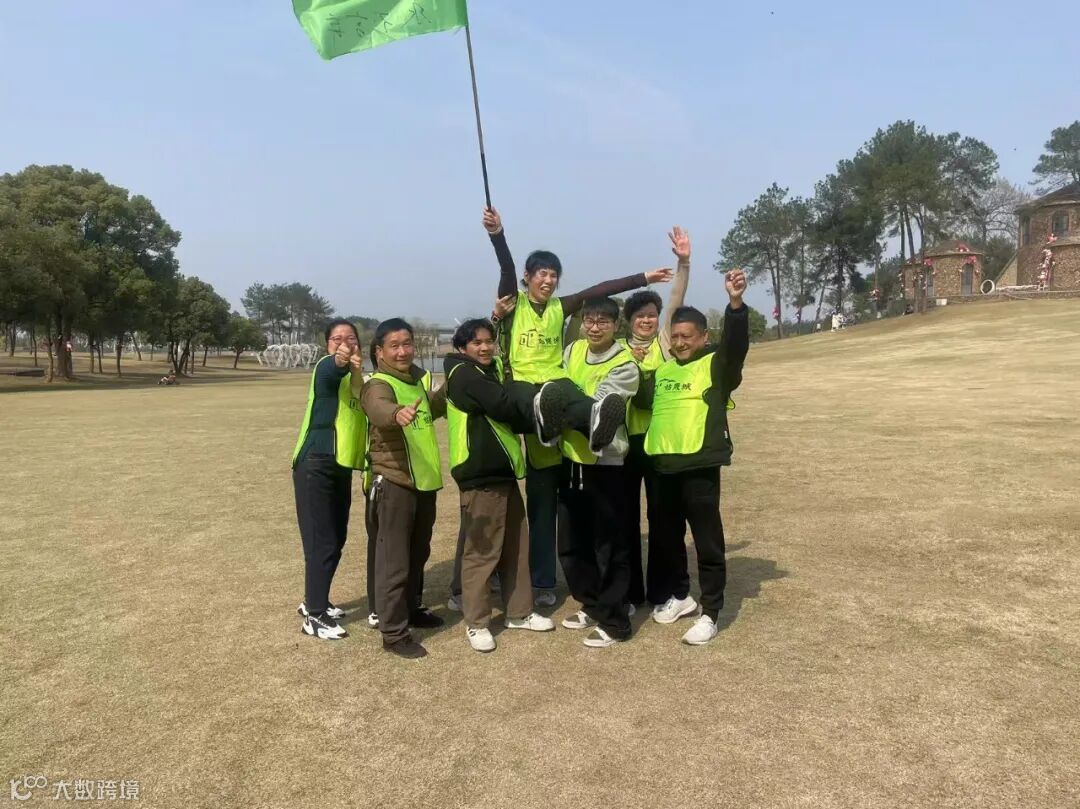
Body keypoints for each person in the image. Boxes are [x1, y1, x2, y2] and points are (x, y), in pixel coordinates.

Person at [483, 206, 672, 606]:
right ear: (528, 278)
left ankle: (592, 422)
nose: (548, 280)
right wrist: (498, 234)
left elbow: (599, 290)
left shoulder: (561, 307)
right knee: (542, 507)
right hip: (525, 389)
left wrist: (642, 278)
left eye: (554, 275)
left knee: (583, 406)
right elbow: (505, 267)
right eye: (542, 274)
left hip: (557, 387)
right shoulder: (513, 303)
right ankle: (542, 582)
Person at [635, 269, 749, 645]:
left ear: (704, 337)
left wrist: (735, 304)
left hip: (699, 466)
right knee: (668, 540)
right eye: (676, 337)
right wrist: (637, 366)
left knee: (707, 541)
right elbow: (642, 402)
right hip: (663, 467)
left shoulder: (716, 365)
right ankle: (681, 595)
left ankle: (711, 612)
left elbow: (736, 347)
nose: (681, 342)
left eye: (688, 336)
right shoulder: (663, 371)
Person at [444, 319, 557, 652]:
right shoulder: (465, 374)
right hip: (480, 475)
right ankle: (477, 622)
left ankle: (519, 612)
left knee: (516, 547)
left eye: (488, 341)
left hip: (502, 472)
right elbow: (504, 405)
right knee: (482, 552)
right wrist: (537, 406)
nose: (485, 347)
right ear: (462, 347)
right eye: (476, 342)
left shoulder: (485, 372)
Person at [556, 297, 641, 648]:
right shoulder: (573, 350)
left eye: (603, 322)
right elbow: (559, 384)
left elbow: (601, 407)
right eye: (589, 320)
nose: (594, 327)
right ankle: (591, 603)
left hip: (607, 463)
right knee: (573, 541)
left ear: (616, 326)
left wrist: (564, 404)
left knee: (609, 544)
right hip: (571, 457)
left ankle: (616, 621)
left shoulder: (625, 364)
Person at [362, 318, 446, 659]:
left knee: (417, 553)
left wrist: (454, 383)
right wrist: (396, 414)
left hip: (422, 482)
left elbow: (433, 408)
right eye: (394, 346)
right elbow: (378, 408)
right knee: (394, 561)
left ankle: (411, 608)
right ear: (379, 352)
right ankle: (394, 633)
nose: (403, 351)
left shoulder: (415, 382)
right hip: (395, 482)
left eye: (407, 344)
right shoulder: (378, 384)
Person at [619, 226, 691, 607]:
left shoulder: (665, 344)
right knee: (627, 520)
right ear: (628, 320)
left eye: (652, 315)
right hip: (626, 446)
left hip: (660, 443)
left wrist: (684, 263)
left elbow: (677, 299)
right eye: (640, 316)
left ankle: (662, 591)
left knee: (663, 518)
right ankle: (630, 593)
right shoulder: (617, 349)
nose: (647, 321)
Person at [292, 318, 367, 640]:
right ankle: (315, 615)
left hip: (340, 465)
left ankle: (315, 598)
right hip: (315, 463)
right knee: (321, 541)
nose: (345, 343)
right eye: (337, 338)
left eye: (351, 338)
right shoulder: (325, 366)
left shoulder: (358, 379)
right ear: (327, 345)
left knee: (336, 538)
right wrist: (341, 358)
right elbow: (332, 368)